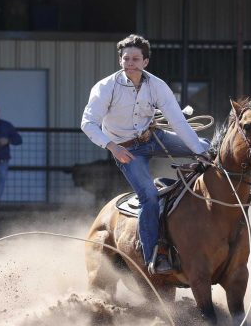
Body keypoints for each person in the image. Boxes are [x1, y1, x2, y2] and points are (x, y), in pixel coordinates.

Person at [81, 34, 211, 276]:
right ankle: (153, 255)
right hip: (126, 150)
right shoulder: (105, 87)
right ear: (120, 60)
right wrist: (112, 146)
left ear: (145, 62)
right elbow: (88, 123)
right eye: (126, 58)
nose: (130, 63)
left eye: (135, 58)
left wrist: (201, 152)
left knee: (209, 147)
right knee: (149, 196)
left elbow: (178, 122)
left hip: (153, 138)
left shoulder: (157, 86)